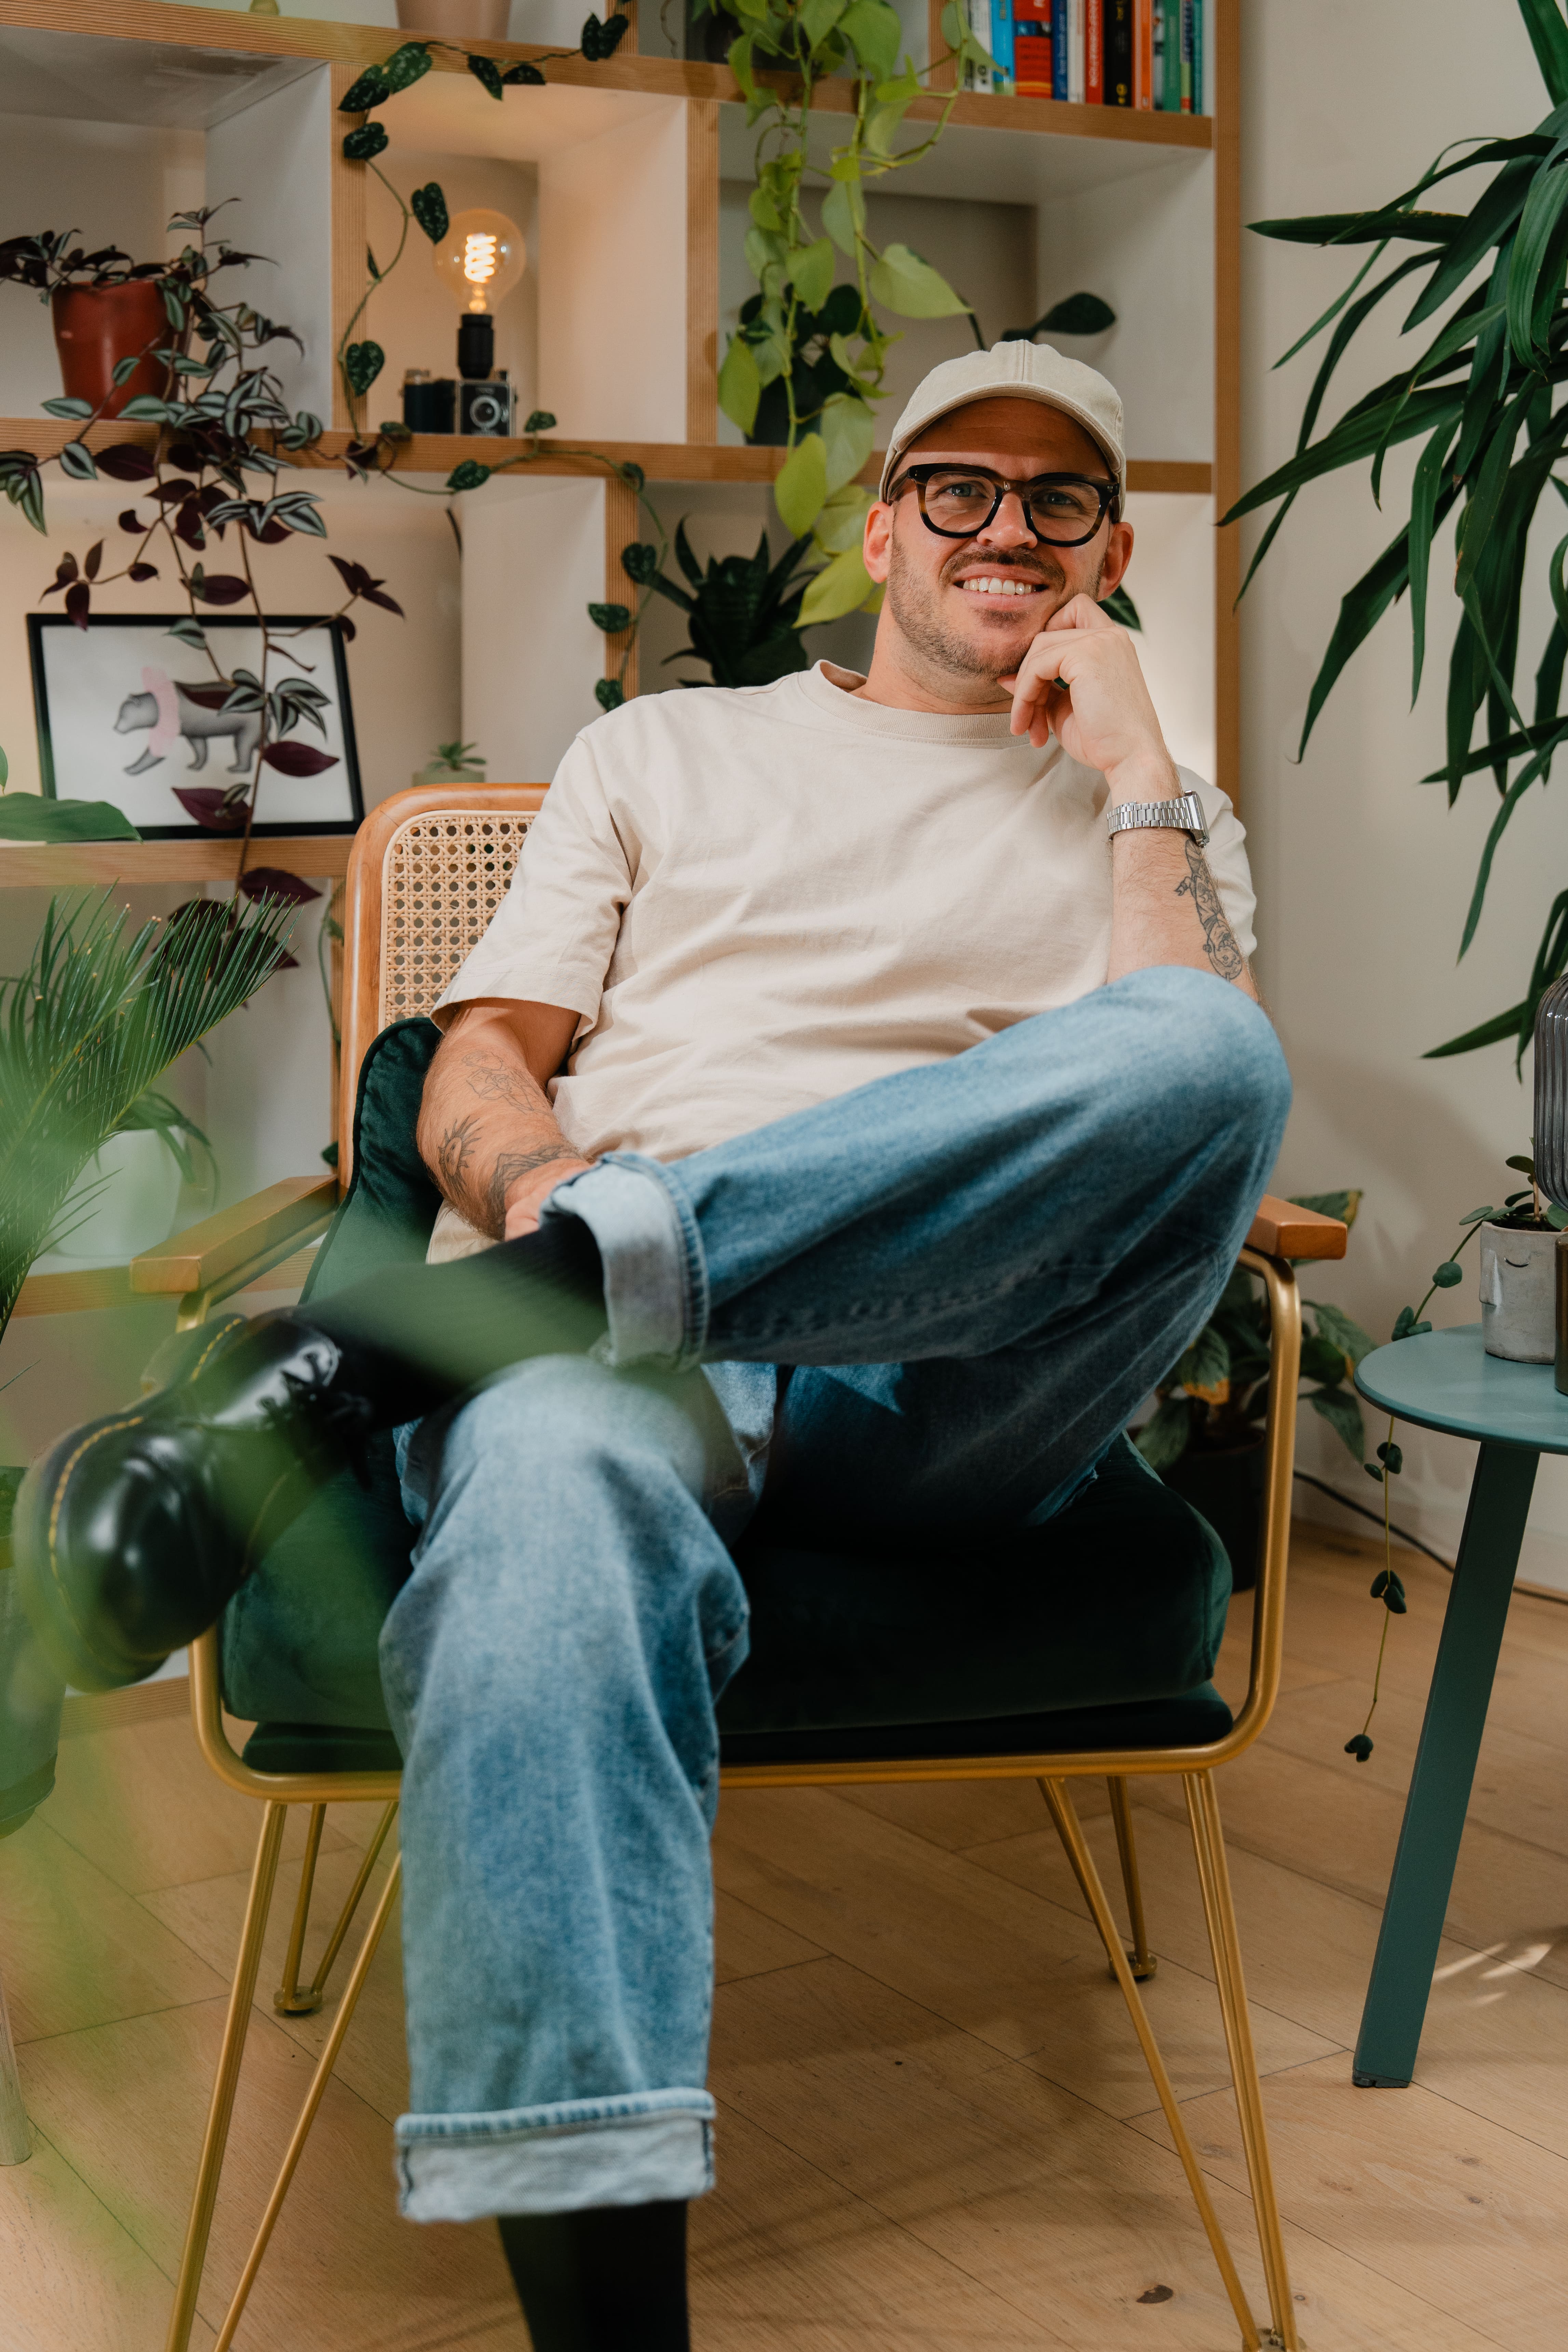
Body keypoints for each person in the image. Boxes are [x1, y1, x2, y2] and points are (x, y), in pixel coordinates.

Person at [17, 342, 1290, 2349]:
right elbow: (479, 1061)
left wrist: (1138, 763)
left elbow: (1171, 1116)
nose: (1007, 532)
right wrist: (536, 1188)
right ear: (881, 526)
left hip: (949, 1390)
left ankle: (394, 1352)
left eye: (1062, 503)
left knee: (1218, 1050)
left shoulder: (1160, 827)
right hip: (625, 1373)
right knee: (543, 1488)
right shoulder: (662, 755)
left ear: (1114, 552)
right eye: (960, 486)